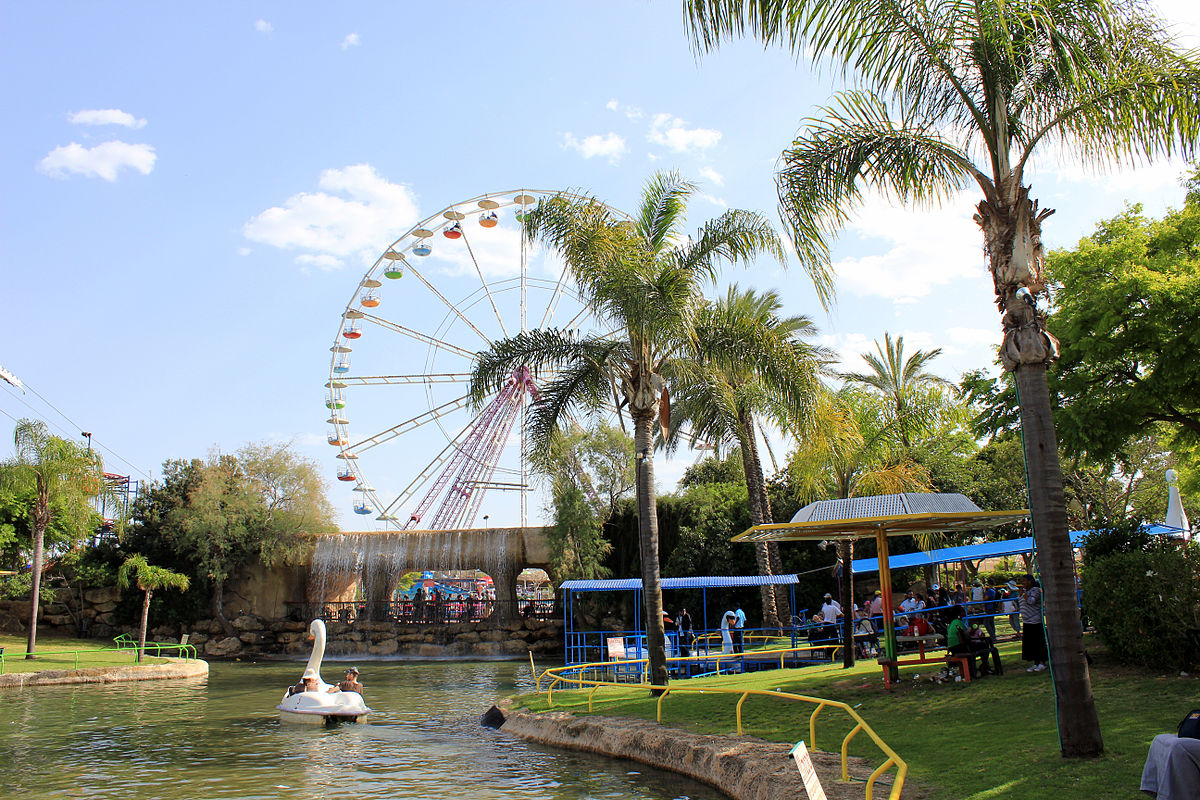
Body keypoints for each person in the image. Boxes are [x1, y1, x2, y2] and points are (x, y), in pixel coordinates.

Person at [1019, 573, 1048, 672]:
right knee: (1031, 644)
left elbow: (1031, 601)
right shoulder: (1027, 591)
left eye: (1024, 581)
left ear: (1030, 581)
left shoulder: (1035, 590)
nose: (1022, 583)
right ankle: (1035, 663)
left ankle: (1042, 662)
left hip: (1035, 620)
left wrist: (1024, 595)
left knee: (1038, 642)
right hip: (1027, 621)